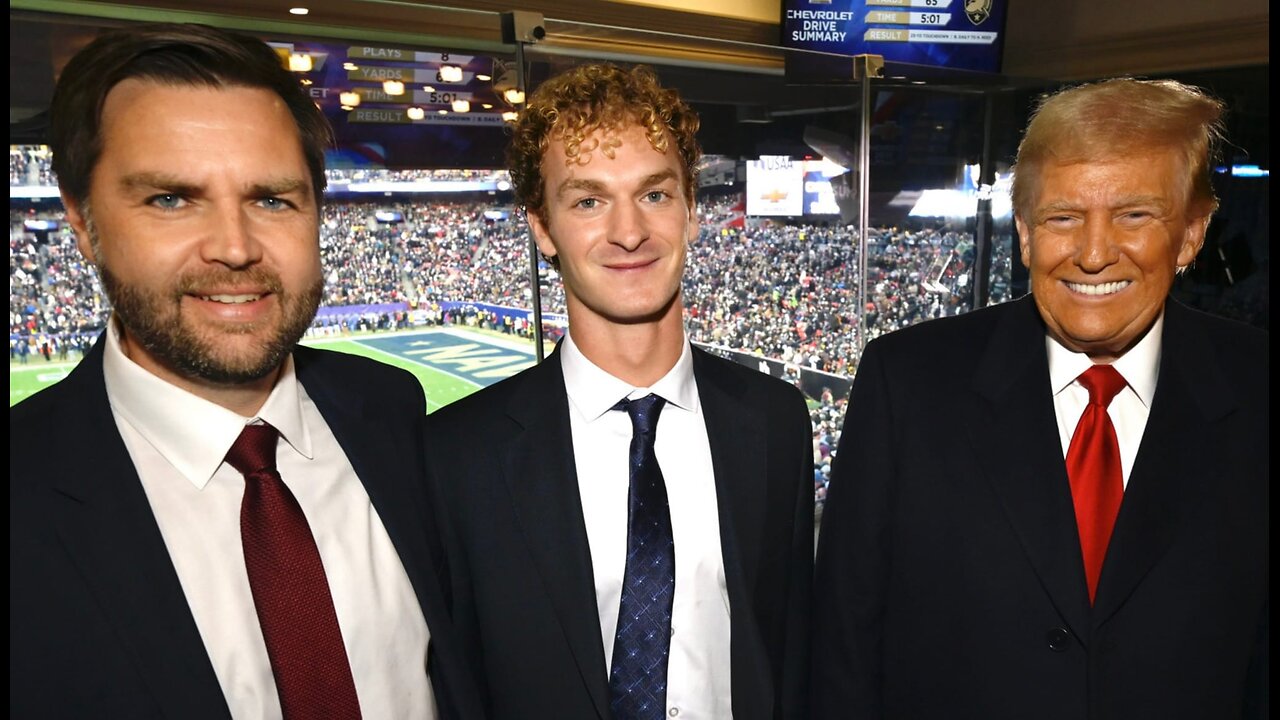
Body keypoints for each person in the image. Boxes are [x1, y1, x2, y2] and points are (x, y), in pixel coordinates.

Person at [9, 23, 481, 719]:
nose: (234, 247)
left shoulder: (388, 409)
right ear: (82, 222)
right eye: (171, 198)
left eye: (271, 199)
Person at [813, 78, 1268, 719]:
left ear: (1193, 233)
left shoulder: (1257, 391)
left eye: (1134, 214)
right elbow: (844, 650)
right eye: (1063, 217)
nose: (1093, 252)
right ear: (1024, 232)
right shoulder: (909, 383)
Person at [425, 63, 814, 720]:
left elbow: (792, 649)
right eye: (588, 200)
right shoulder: (458, 454)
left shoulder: (775, 421)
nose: (629, 232)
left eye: (655, 195)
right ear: (543, 229)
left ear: (692, 208)